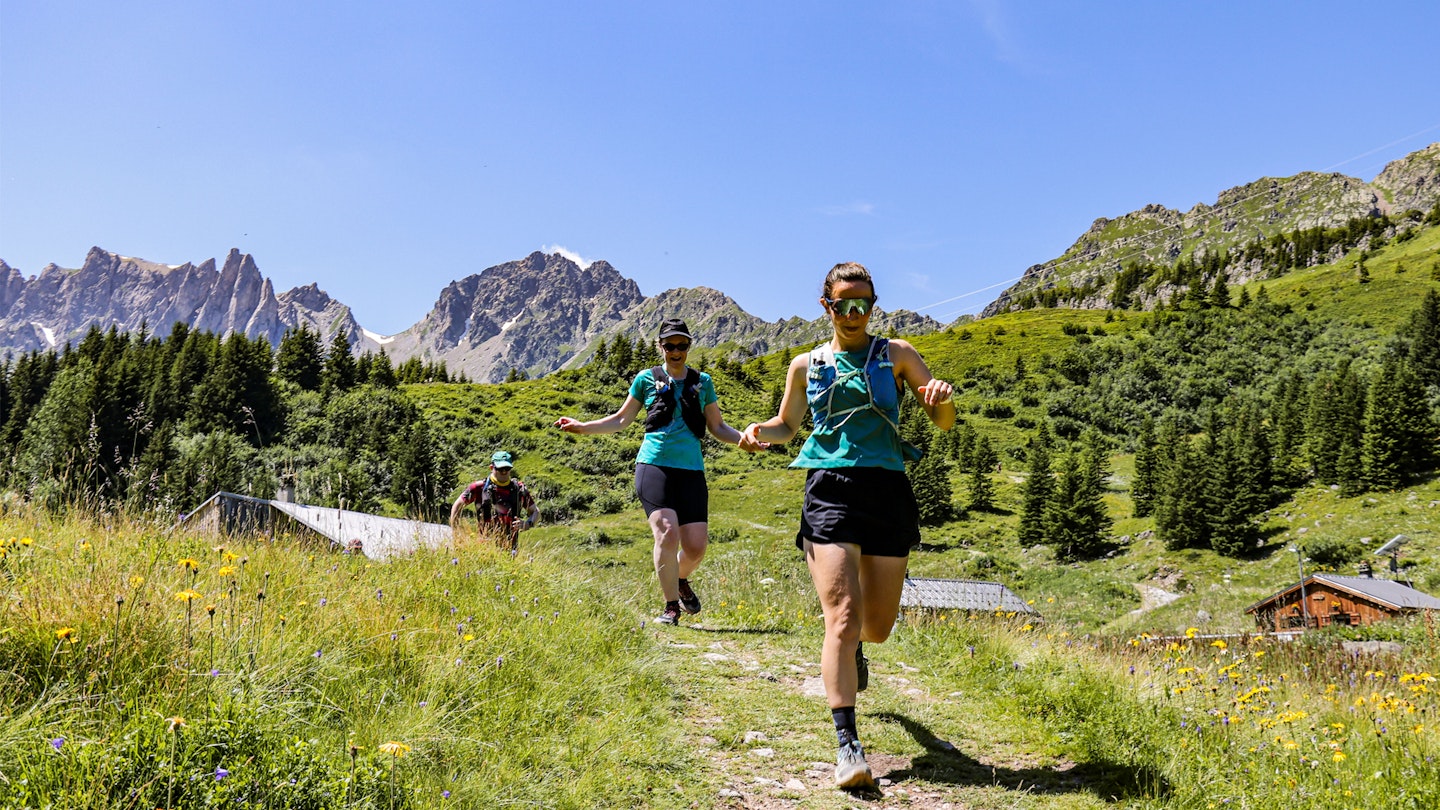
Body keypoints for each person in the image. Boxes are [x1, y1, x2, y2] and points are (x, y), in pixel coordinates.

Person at [738, 262, 955, 790]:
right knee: (841, 617)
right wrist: (758, 430)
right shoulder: (804, 364)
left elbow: (943, 421)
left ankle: (857, 648)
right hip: (830, 489)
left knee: (875, 628)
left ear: (873, 306)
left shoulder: (898, 354)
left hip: (887, 491)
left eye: (865, 305)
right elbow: (789, 426)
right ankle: (848, 745)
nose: (855, 314)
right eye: (844, 305)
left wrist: (941, 402)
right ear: (826, 307)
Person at [554, 318, 748, 626]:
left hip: (691, 471)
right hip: (654, 466)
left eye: (681, 345)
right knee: (668, 534)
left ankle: (680, 579)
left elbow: (718, 427)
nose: (676, 351)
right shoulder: (646, 379)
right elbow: (621, 420)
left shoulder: (703, 382)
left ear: (688, 347)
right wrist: (583, 427)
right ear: (660, 347)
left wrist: (745, 440)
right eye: (669, 345)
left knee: (696, 547)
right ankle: (671, 606)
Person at [450, 450, 540, 553]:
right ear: (492, 468)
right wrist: (456, 534)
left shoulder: (519, 489)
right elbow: (457, 506)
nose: (504, 472)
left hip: (511, 550)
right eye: (500, 469)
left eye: (507, 469)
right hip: (484, 549)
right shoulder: (479, 487)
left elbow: (536, 512)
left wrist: (528, 523)